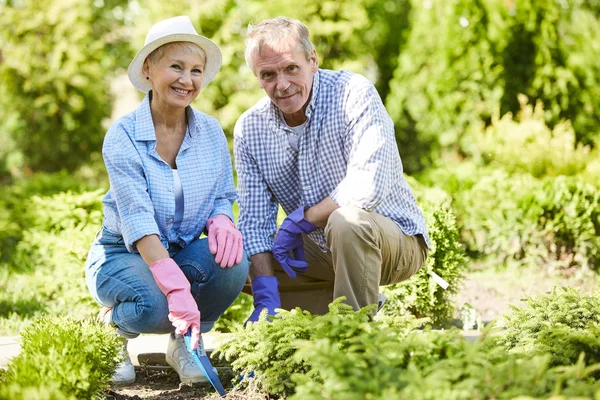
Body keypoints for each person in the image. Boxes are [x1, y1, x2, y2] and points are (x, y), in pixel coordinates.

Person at [85, 16, 249, 385]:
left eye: (196, 70)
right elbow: (138, 218)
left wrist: (222, 220)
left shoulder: (209, 131)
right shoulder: (124, 135)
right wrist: (176, 288)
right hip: (122, 255)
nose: (187, 80)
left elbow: (223, 193)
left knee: (234, 264)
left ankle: (185, 341)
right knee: (154, 307)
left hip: (181, 249)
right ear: (148, 69)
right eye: (175, 66)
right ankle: (112, 328)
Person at [234, 17, 430, 323]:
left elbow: (368, 185)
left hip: (392, 242)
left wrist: (302, 221)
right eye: (268, 74)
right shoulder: (250, 128)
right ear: (257, 78)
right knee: (229, 262)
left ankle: (350, 339)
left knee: (346, 220)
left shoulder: (353, 93)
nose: (282, 84)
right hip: (319, 251)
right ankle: (344, 302)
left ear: (313, 59)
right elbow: (254, 223)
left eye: (291, 68)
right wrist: (265, 294)